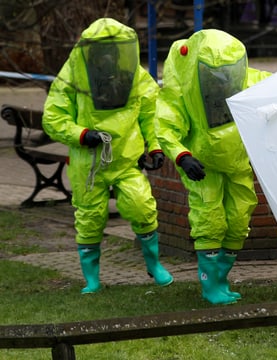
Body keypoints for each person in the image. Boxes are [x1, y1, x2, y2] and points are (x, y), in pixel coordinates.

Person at [42, 18, 173, 294]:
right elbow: (53, 117)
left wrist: (156, 146)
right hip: (88, 163)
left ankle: (154, 265)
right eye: (103, 51)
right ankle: (92, 279)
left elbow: (152, 114)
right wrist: (80, 134)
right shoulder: (73, 75)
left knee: (141, 206)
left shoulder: (134, 75)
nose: (108, 57)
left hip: (126, 158)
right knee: (90, 218)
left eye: (114, 51)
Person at [155, 29, 270, 305]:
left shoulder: (245, 78)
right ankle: (210, 287)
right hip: (203, 166)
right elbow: (166, 127)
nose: (220, 79)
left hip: (236, 162)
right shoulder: (184, 89)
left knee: (240, 218)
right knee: (210, 219)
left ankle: (220, 279)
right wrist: (183, 156)